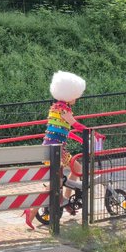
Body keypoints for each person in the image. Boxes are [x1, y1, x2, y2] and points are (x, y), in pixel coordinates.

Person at [26, 71, 89, 229]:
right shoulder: (63, 110)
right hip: (54, 151)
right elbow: (74, 124)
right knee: (58, 181)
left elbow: (61, 131)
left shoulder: (58, 107)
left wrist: (82, 138)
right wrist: (91, 132)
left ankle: (66, 201)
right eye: (75, 95)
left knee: (74, 171)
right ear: (68, 94)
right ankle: (32, 211)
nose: (77, 98)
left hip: (57, 149)